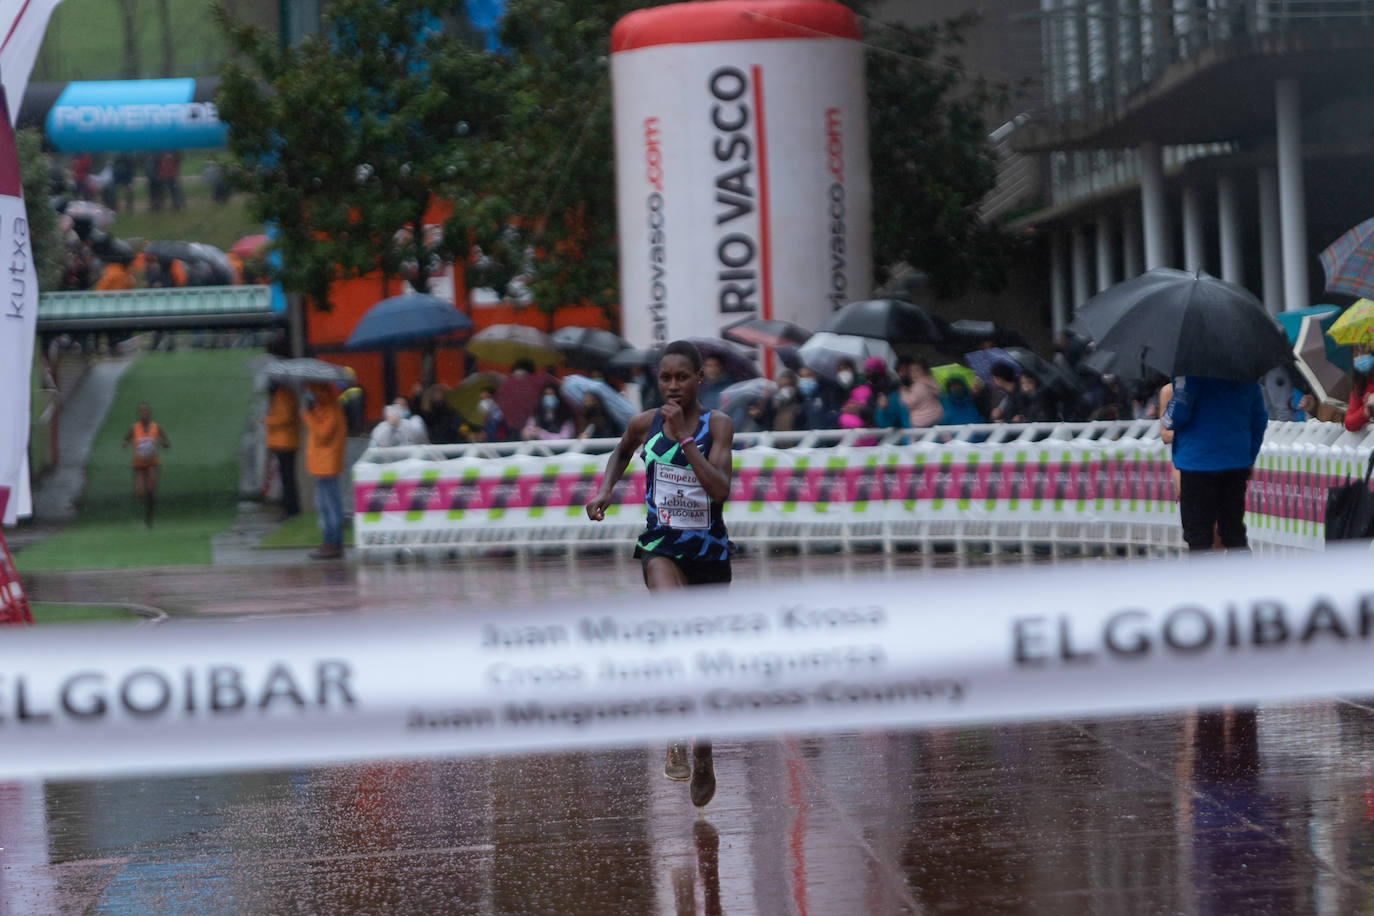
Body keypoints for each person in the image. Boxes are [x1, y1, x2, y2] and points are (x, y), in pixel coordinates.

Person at [585, 340, 733, 808]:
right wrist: (607, 489)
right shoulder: (642, 422)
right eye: (666, 378)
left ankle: (704, 749)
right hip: (661, 546)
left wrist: (685, 441)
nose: (673, 385)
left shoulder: (719, 426)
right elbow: (621, 451)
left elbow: (719, 490)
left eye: (682, 377)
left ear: (698, 382)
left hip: (708, 552)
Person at [1162, 375, 1268, 552]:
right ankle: (1244, 576)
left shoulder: (1189, 377)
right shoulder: (1247, 380)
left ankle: (1205, 577)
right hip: (1235, 462)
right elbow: (1259, 420)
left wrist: (1167, 415)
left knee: (1198, 534)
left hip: (1196, 463)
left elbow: (1176, 417)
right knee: (1233, 530)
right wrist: (1250, 456)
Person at [302, 382, 347, 560]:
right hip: (322, 466)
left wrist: (307, 416)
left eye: (315, 394)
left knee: (330, 506)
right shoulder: (324, 410)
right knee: (324, 506)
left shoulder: (332, 411)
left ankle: (333, 543)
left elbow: (323, 435)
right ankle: (330, 542)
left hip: (328, 466)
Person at [121, 402, 169, 527]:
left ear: (149, 413)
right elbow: (125, 440)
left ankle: (149, 520)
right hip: (139, 465)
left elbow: (167, 444)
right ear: (138, 413)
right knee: (141, 493)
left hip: (153, 463)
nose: (144, 413)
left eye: (146, 410)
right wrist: (125, 443)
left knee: (151, 491)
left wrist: (161, 441)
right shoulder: (134, 428)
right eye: (141, 411)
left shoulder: (156, 427)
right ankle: (146, 501)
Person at [264, 383, 302, 520]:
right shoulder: (284, 394)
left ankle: (291, 509)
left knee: (287, 478)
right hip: (283, 442)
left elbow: (285, 417)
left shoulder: (283, 395)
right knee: (286, 477)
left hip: (285, 442)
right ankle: (290, 507)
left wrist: (268, 421)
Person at [897, 357, 944, 427]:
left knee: (913, 434)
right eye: (911, 371)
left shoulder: (918, 385)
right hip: (937, 414)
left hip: (921, 418)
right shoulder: (930, 381)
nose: (913, 374)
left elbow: (910, 402)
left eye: (917, 370)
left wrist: (903, 393)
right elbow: (938, 391)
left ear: (924, 371)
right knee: (939, 431)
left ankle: (912, 438)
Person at [1342, 354, 1374, 432]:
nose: (1359, 356)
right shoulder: (1360, 385)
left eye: (1363, 349)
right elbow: (1349, 423)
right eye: (1356, 352)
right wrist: (1366, 409)